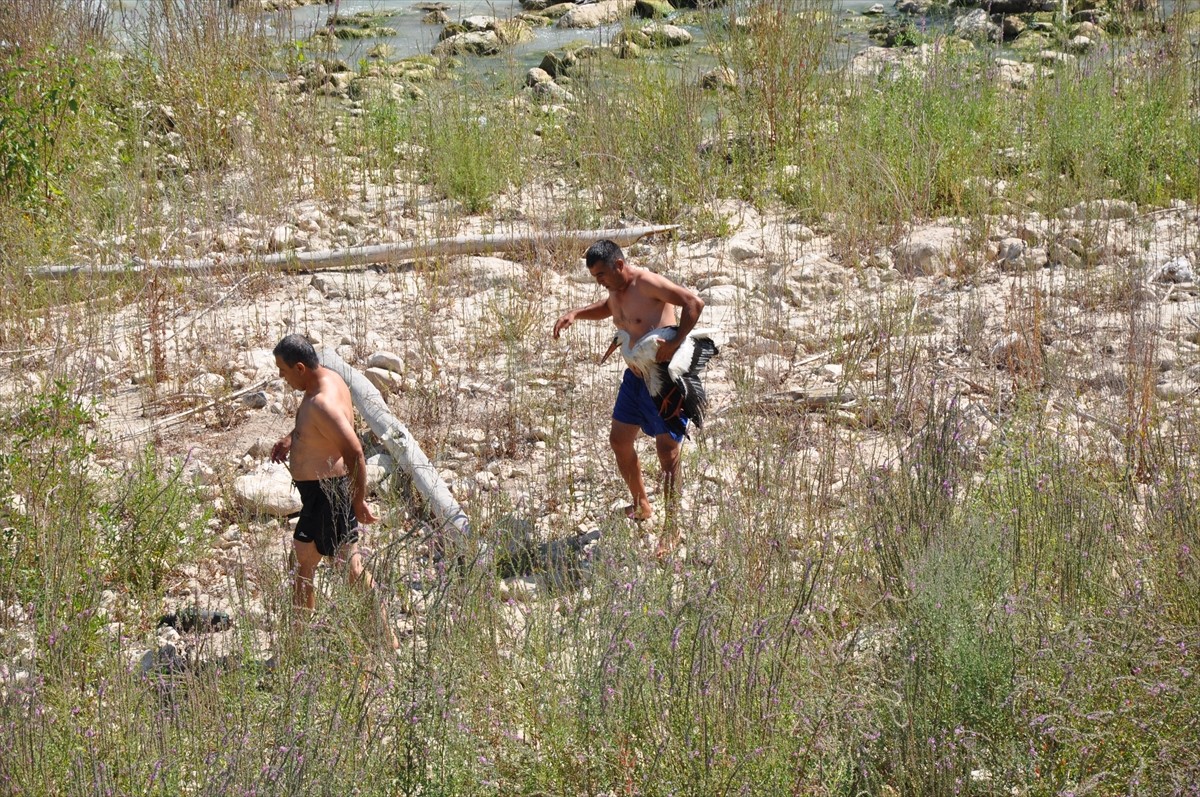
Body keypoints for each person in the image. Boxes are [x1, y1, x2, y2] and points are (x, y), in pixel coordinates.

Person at [552, 240, 705, 534]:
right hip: (635, 378)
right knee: (620, 441)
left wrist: (675, 342)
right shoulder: (615, 290)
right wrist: (576, 314)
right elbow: (608, 308)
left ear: (619, 265)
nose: (599, 283)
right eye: (595, 277)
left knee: (667, 451)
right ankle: (641, 504)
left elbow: (693, 303)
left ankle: (672, 529)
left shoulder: (647, 283)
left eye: (601, 275)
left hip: (663, 379)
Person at [270, 334, 399, 650]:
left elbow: (354, 450)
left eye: (283, 371)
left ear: (300, 367)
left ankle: (296, 649)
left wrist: (358, 502)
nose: (281, 377)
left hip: (327, 494)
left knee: (321, 566)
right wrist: (294, 436)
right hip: (324, 494)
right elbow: (325, 424)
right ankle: (384, 639)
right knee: (319, 564)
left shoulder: (321, 402)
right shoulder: (326, 379)